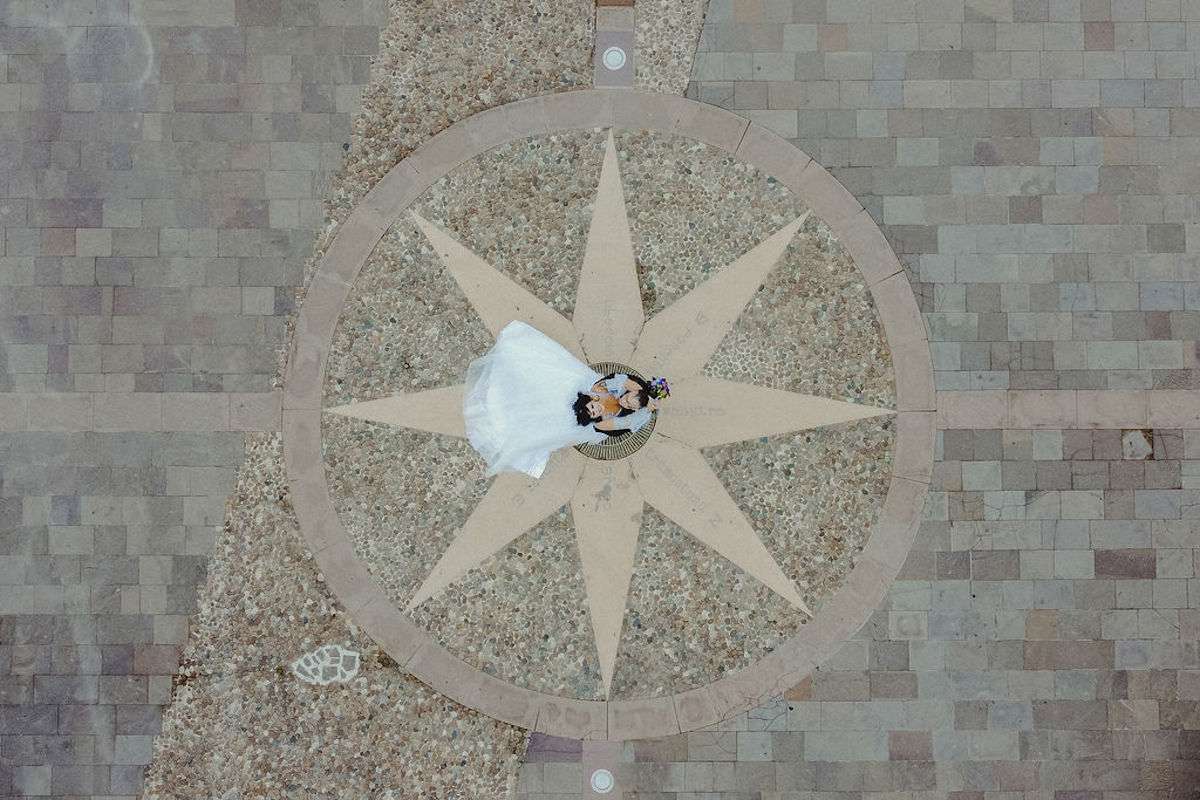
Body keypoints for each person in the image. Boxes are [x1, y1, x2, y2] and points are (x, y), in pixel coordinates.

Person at [463, 320, 669, 478]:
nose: (625, 402)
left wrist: (644, 408)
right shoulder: (624, 389)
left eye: (630, 405)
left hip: (584, 416)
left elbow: (602, 425)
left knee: (542, 416)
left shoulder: (620, 420)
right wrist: (647, 394)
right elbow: (612, 385)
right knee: (547, 378)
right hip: (584, 392)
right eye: (628, 398)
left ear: (634, 410)